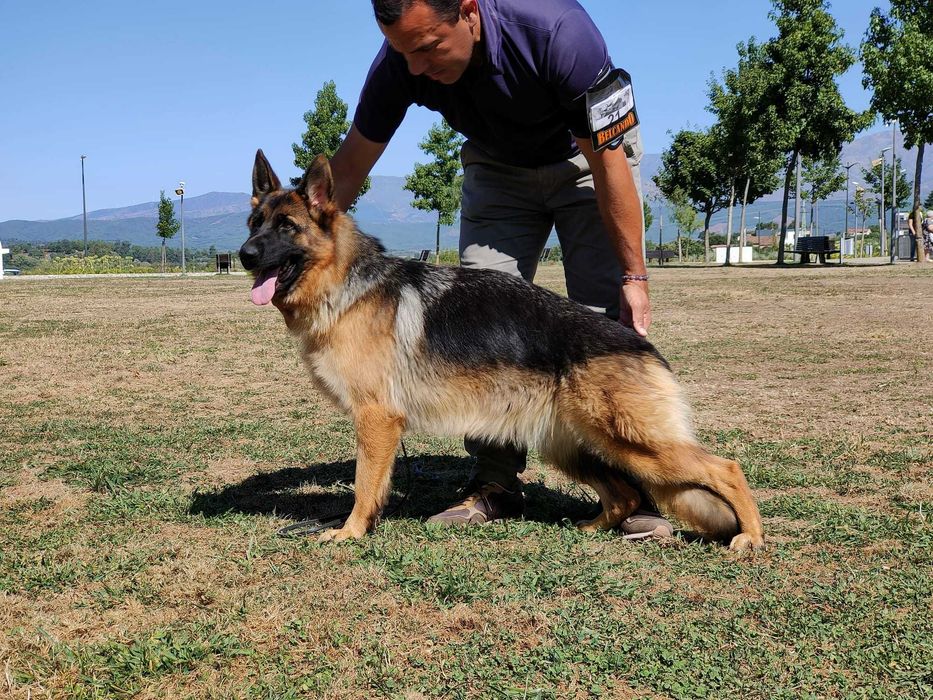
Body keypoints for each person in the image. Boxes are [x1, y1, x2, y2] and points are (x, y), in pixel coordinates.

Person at [328, 0, 672, 539]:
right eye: (402, 52)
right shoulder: (401, 59)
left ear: (468, 11)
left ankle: (635, 492)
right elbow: (349, 167)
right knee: (474, 325)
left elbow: (611, 163)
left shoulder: (560, 33)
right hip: (496, 171)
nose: (415, 68)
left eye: (427, 49)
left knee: (598, 326)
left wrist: (634, 276)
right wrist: (302, 232)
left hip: (586, 164)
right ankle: (495, 482)